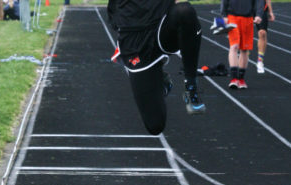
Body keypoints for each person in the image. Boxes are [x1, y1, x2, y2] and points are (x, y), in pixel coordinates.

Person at [107, 0, 205, 135]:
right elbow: (113, 14)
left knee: (185, 11)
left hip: (162, 26)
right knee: (155, 125)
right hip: (135, 39)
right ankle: (161, 81)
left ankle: (191, 85)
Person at [221, 0, 265, 89]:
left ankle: (241, 79)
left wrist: (259, 14)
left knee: (244, 49)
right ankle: (233, 79)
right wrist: (224, 15)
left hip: (248, 18)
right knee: (234, 46)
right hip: (232, 16)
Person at [256, 0, 275, 73]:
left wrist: (270, 11)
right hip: (247, 8)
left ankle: (260, 61)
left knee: (262, 33)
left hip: (261, 8)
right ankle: (243, 57)